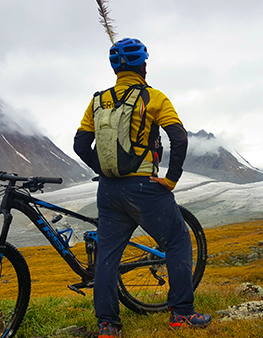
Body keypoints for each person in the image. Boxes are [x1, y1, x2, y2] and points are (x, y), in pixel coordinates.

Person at [74, 37, 211, 337]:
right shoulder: (155, 98)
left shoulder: (98, 101)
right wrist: (171, 180)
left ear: (115, 69)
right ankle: (182, 314)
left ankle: (108, 327)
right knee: (176, 241)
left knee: (108, 256)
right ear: (144, 65)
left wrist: (103, 170)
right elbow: (180, 138)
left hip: (108, 191)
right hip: (145, 188)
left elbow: (80, 144)